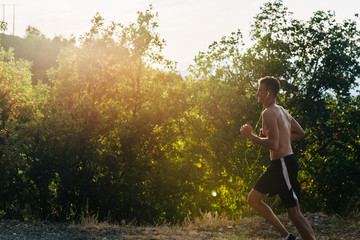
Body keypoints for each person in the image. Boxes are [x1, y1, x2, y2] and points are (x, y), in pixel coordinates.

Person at [240, 76, 316, 240]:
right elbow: (299, 133)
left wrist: (250, 136)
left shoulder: (268, 113)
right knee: (253, 200)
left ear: (268, 92)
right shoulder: (281, 110)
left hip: (283, 165)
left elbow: (273, 144)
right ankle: (287, 237)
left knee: (295, 214)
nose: (257, 94)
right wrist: (278, 139)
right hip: (279, 166)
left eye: (260, 90)